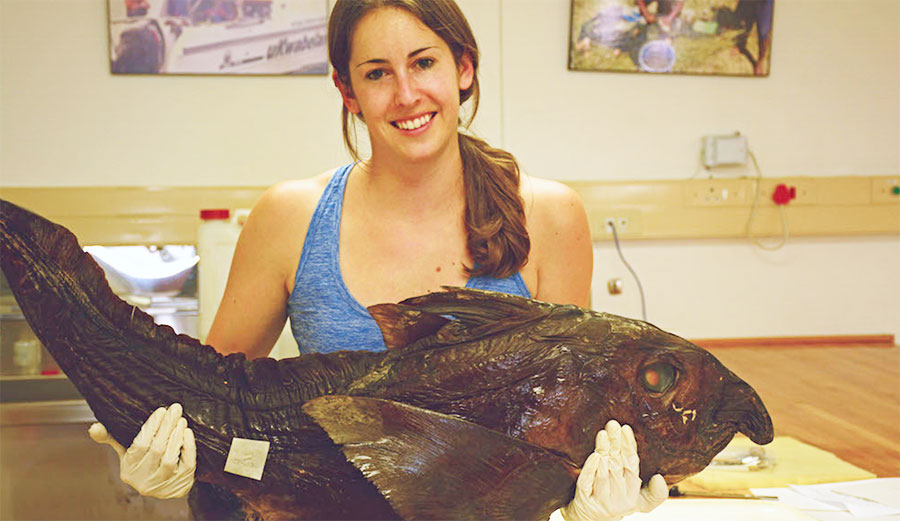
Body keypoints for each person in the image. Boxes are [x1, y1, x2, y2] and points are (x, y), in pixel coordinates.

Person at [89, 1, 669, 520]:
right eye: (377, 73)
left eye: (424, 63)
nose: (406, 95)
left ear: (463, 69)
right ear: (348, 93)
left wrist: (588, 503)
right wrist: (157, 451)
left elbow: (568, 421)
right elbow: (209, 393)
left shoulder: (550, 217)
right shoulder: (291, 217)